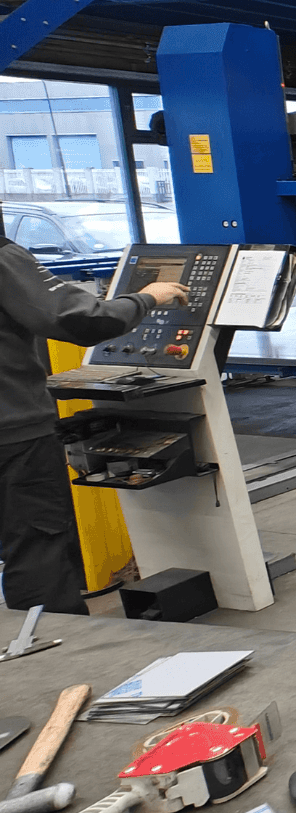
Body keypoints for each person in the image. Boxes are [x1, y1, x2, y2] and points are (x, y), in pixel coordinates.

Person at [0, 239, 187, 612]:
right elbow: (80, 319)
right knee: (37, 546)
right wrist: (147, 297)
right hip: (13, 434)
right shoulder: (4, 258)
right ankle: (53, 656)